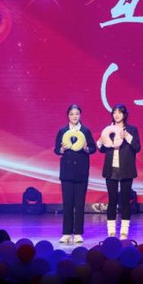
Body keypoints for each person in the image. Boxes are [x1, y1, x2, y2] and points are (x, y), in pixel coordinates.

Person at [54, 103, 97, 244]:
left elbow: (93, 148)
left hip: (81, 172)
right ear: (68, 115)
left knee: (79, 204)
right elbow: (56, 149)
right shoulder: (62, 131)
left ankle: (78, 233)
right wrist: (61, 149)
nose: (74, 116)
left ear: (80, 115)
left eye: (77, 114)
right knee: (67, 204)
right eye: (72, 114)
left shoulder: (85, 131)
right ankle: (66, 233)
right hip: (66, 173)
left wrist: (86, 148)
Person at [96, 103, 141, 239]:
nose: (117, 115)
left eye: (119, 112)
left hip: (126, 169)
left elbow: (137, 147)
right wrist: (100, 142)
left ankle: (124, 230)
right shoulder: (108, 130)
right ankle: (111, 230)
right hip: (111, 169)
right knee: (112, 199)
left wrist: (127, 136)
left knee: (125, 200)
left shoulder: (131, 129)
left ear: (124, 115)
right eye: (114, 112)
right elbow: (102, 149)